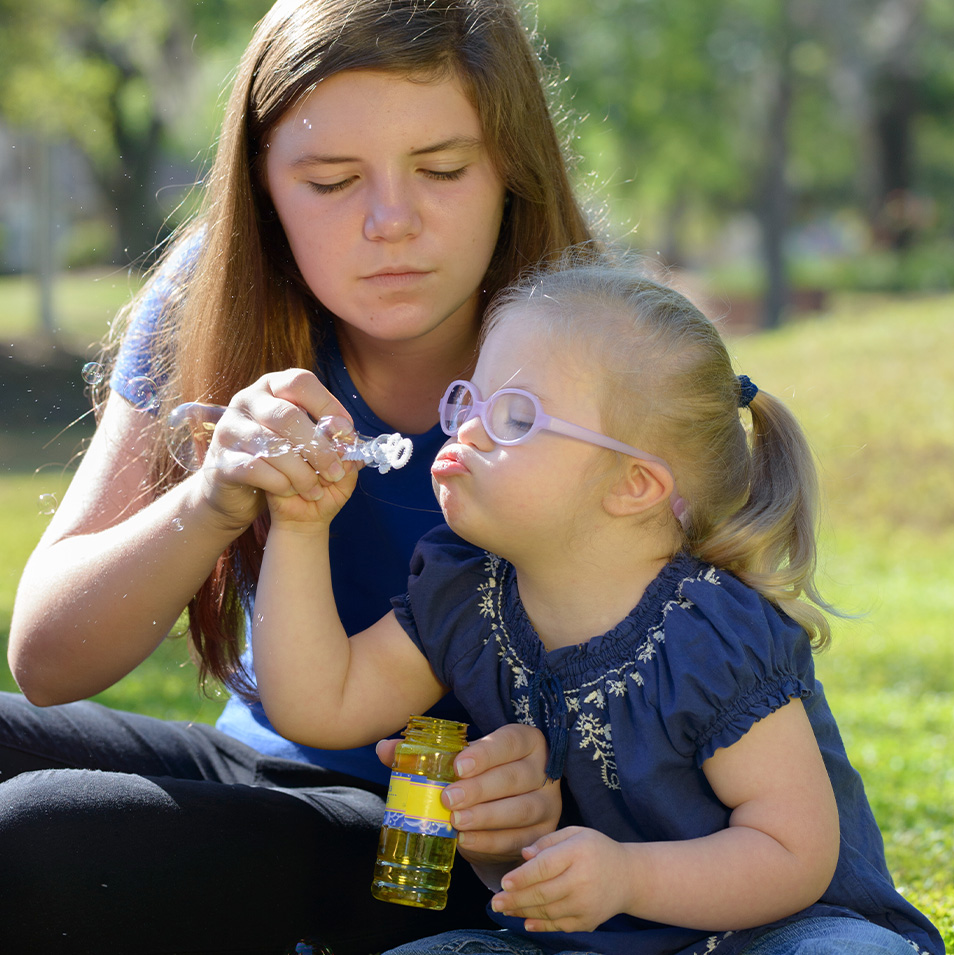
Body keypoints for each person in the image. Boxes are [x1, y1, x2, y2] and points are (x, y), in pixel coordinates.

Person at [4, 1, 598, 952]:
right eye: (330, 181)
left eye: (442, 170)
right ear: (263, 192)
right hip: (258, 769)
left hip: (443, 843)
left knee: (41, 838)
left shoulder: (604, 352)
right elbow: (46, 659)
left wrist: (547, 780)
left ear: (510, 173)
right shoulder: (212, 298)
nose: (390, 221)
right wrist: (210, 498)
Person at [250, 254, 944, 955]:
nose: (466, 428)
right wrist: (301, 525)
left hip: (778, 932)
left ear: (634, 484)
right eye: (470, 398)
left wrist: (627, 876)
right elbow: (321, 702)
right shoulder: (468, 588)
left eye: (514, 416)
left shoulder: (709, 633)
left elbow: (794, 851)